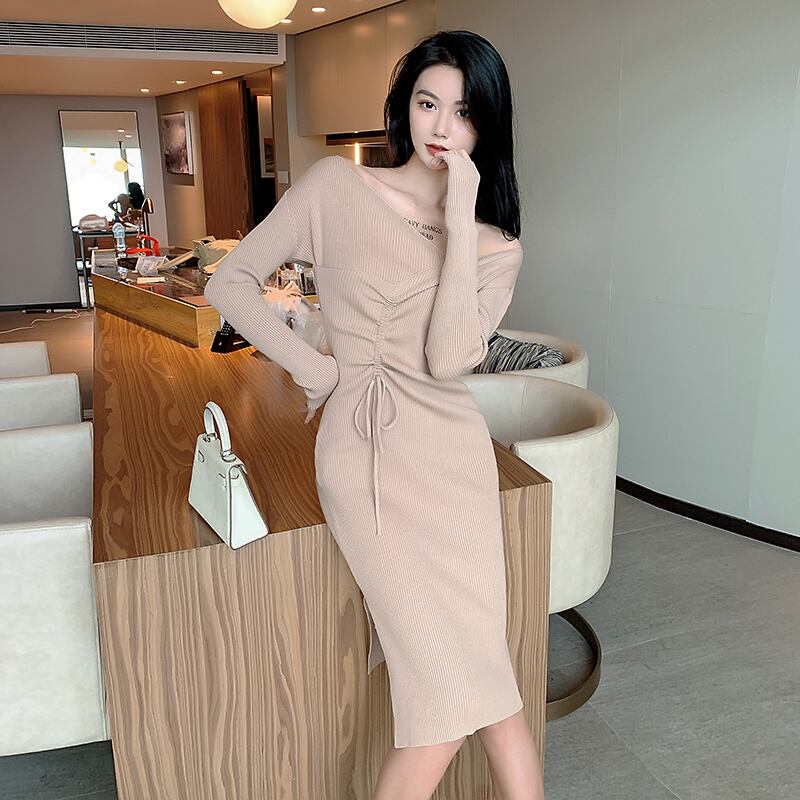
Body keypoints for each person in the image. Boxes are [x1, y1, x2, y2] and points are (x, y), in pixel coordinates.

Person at [204, 29, 544, 800]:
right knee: (445, 704)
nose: (442, 127)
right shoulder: (337, 186)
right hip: (366, 463)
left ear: (486, 126)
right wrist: (319, 368)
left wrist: (462, 218)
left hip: (456, 467)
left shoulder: (497, 247)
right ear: (404, 108)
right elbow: (234, 283)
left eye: (463, 112)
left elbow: (449, 358)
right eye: (428, 103)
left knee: (491, 687)